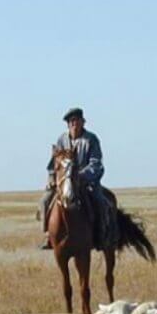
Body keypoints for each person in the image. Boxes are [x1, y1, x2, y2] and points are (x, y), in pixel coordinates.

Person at [39, 107, 106, 249]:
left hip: (85, 181)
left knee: (100, 201)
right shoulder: (61, 140)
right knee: (44, 201)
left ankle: (100, 234)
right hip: (64, 182)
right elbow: (53, 164)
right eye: (71, 121)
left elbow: (96, 163)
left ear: (83, 122)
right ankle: (48, 235)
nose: (74, 124)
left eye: (77, 121)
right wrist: (51, 178)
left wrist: (81, 175)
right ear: (68, 124)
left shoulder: (91, 139)